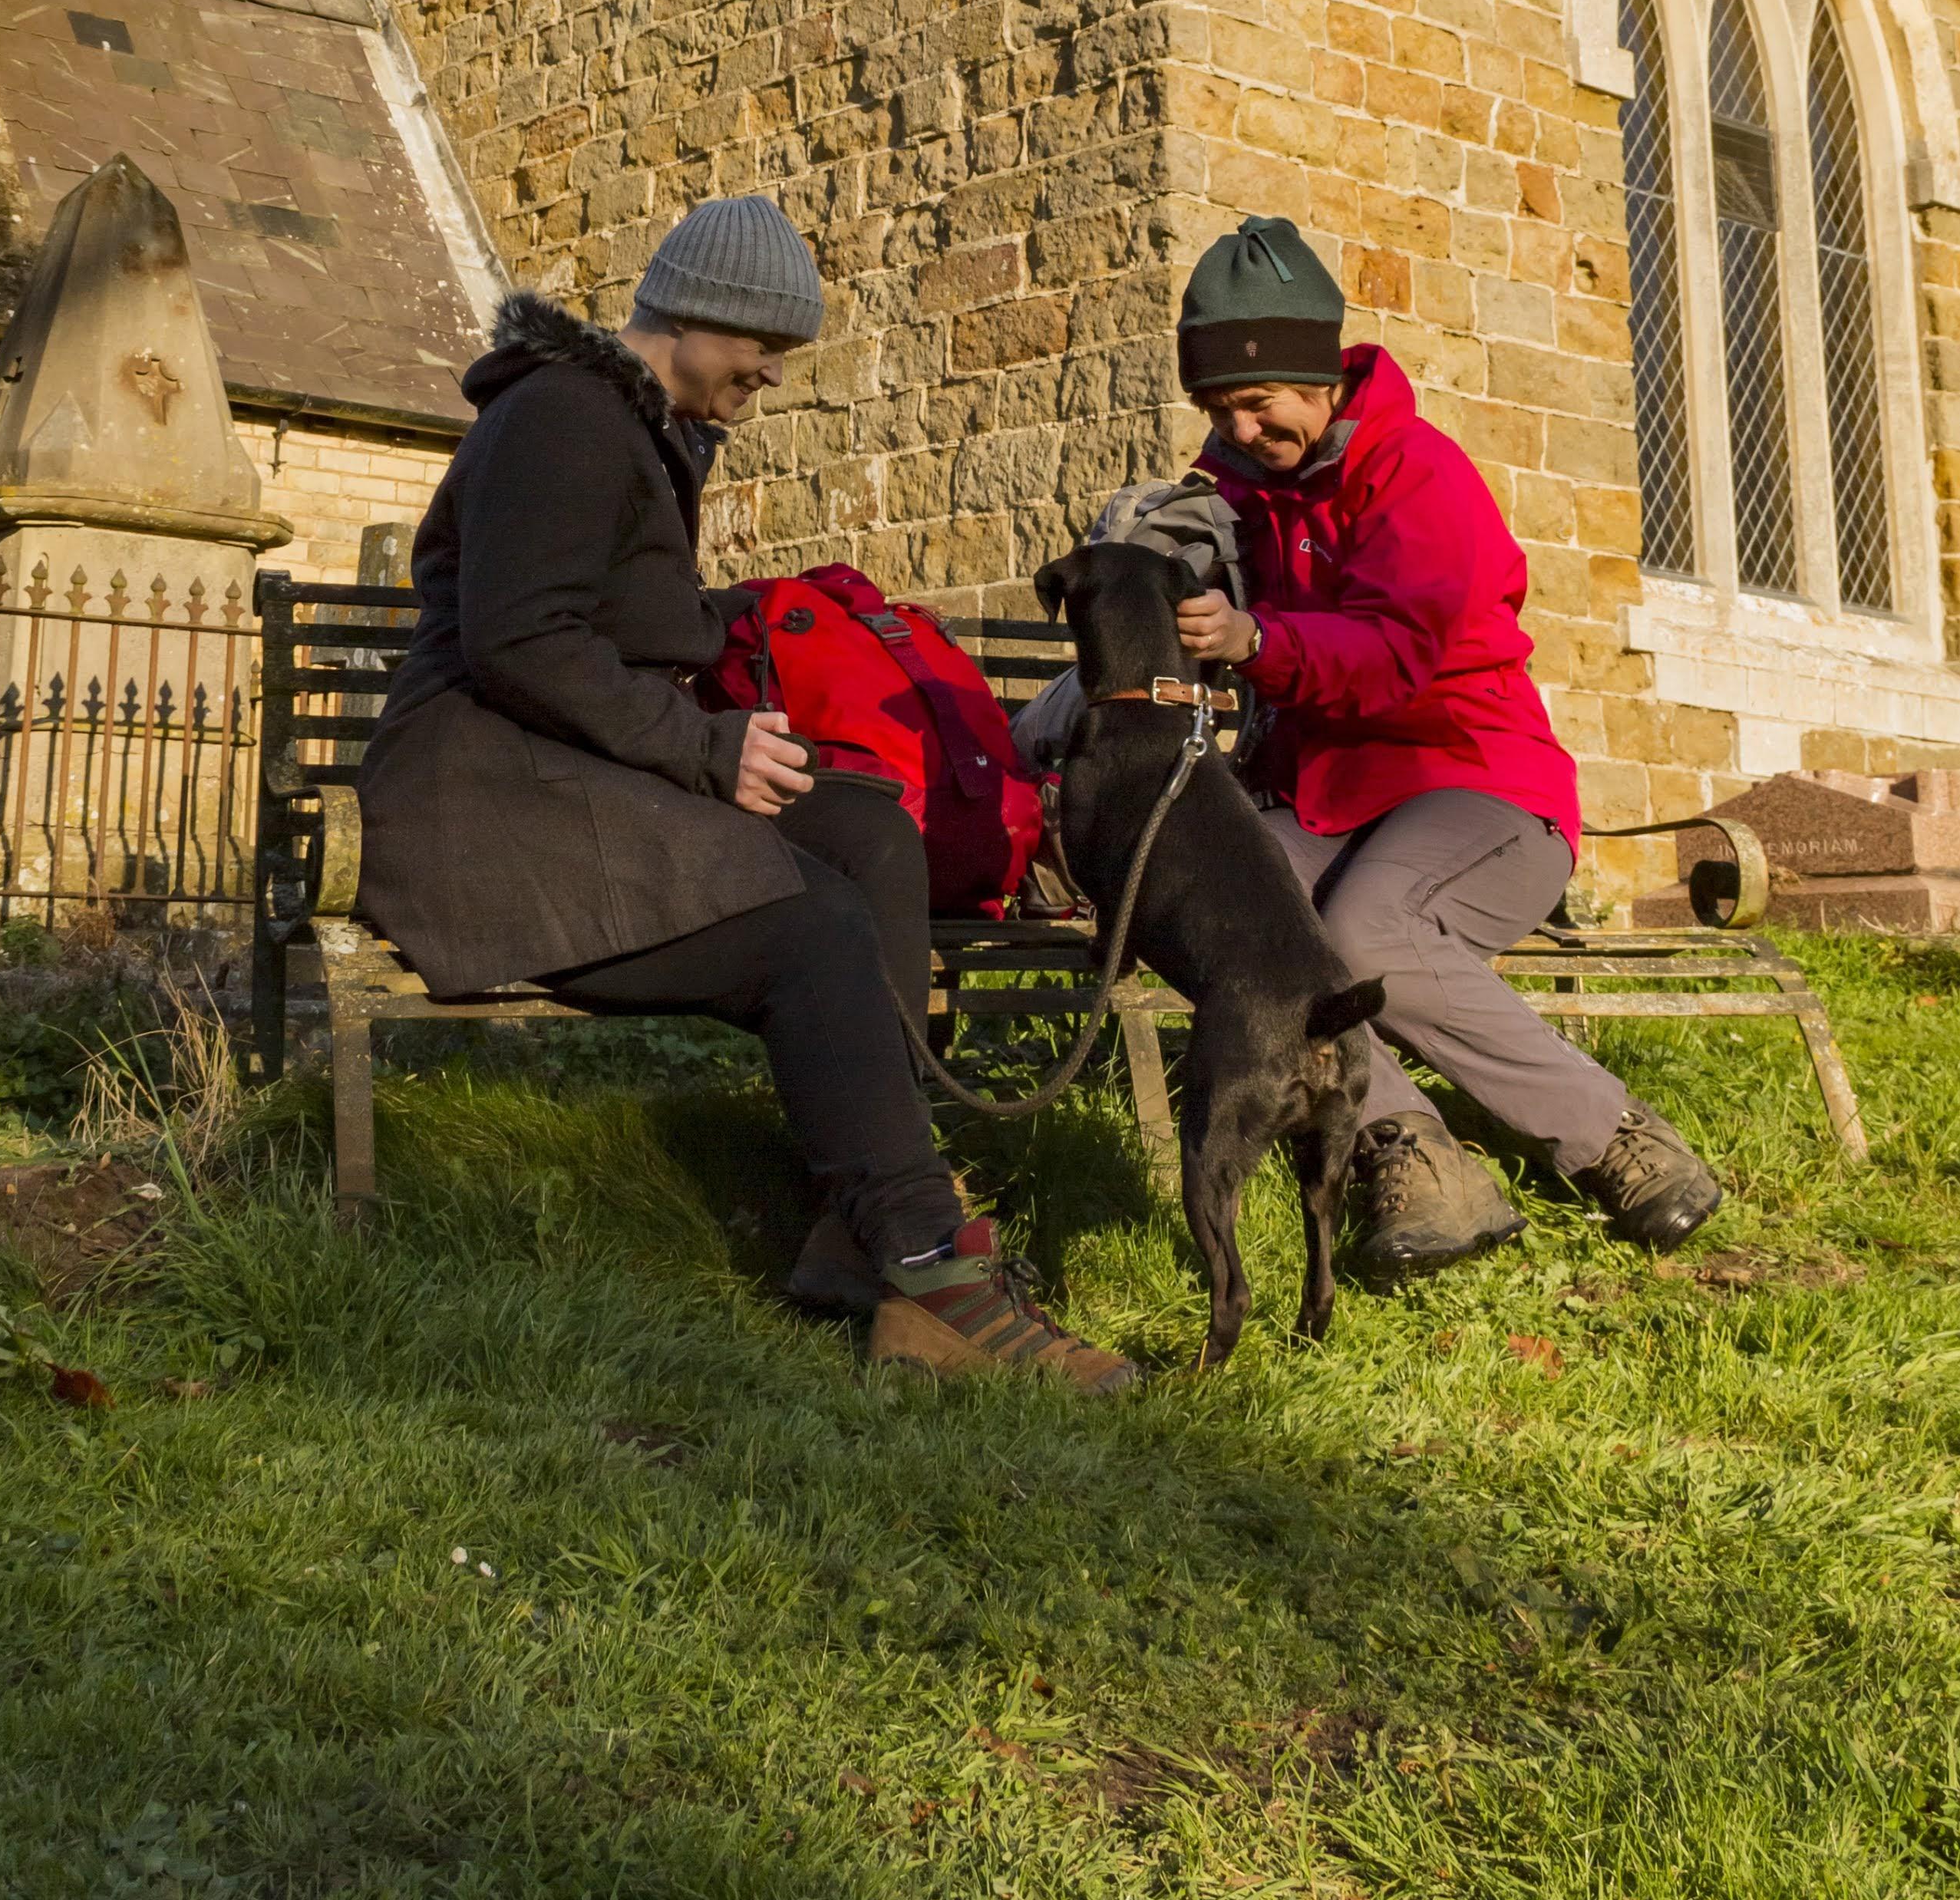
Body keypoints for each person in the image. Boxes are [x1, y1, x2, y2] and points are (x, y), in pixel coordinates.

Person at [356, 194, 1138, 1391]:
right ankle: (931, 1268)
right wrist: (706, 748)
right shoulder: (562, 417)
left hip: (570, 779)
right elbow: (519, 639)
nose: (771, 375)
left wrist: (728, 646)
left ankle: (851, 1240)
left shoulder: (629, 427)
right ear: (700, 316)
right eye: (762, 346)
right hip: (487, 811)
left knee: (867, 835)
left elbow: (609, 625)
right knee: (809, 930)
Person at [1165, 214, 1723, 1278]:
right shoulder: (1233, 495)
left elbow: (1396, 652)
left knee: (1369, 927)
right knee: (1237, 910)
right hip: (1327, 798)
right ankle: (1416, 1156)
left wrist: (1257, 639)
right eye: (1217, 407)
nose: (1240, 427)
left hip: (1476, 785)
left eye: (1258, 400)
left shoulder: (1418, 472)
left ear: (1320, 372)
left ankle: (1616, 1139)